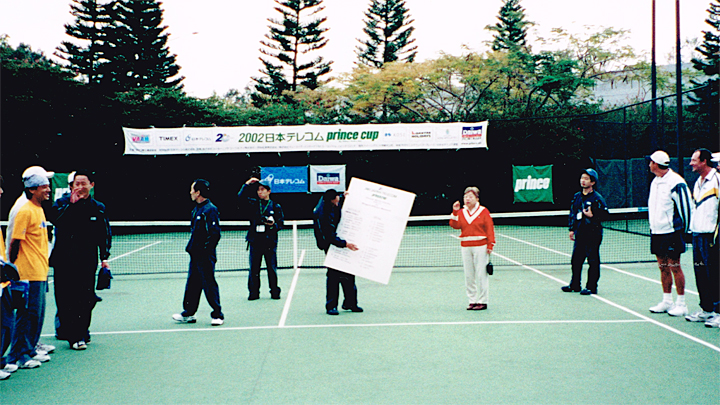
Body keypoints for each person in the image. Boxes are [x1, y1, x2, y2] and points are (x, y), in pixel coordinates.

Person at [47, 170, 111, 350]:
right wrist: (72, 206)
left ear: (92, 185)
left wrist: (104, 257)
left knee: (87, 298)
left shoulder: (98, 207)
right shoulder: (61, 204)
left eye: (84, 183)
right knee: (66, 299)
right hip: (64, 261)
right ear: (71, 187)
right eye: (77, 184)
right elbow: (57, 221)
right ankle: (74, 336)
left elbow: (104, 233)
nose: (81, 187)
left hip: (87, 261)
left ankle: (82, 330)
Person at [6, 171, 53, 369]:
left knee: (36, 315)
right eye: (44, 187)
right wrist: (16, 270)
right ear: (32, 189)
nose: (48, 190)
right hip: (27, 274)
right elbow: (15, 242)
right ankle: (19, 356)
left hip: (40, 272)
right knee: (26, 316)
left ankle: (30, 349)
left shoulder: (38, 209)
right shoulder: (25, 210)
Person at [646, 150, 693, 317]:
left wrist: (687, 231)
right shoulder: (655, 181)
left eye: (651, 162)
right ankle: (667, 301)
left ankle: (681, 303)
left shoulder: (676, 182)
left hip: (672, 232)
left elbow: (686, 207)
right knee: (663, 266)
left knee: (674, 266)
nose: (649, 164)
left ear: (656, 164)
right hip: (657, 231)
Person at [173, 179, 224, 326]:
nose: (190, 192)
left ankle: (217, 315)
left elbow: (215, 234)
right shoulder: (196, 210)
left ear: (198, 192)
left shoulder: (210, 209)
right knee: (192, 284)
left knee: (209, 284)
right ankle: (188, 313)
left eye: (192, 190)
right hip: (195, 255)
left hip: (205, 256)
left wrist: (205, 252)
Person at [685, 148, 720, 327]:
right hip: (697, 236)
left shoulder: (717, 180)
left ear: (704, 161)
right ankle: (707, 310)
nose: (691, 163)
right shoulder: (698, 182)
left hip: (712, 237)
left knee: (715, 274)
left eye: (694, 160)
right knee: (701, 274)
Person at [313, 189, 361, 315]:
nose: (338, 200)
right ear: (332, 200)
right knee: (334, 275)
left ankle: (350, 303)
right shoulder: (323, 213)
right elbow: (329, 236)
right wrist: (345, 244)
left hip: (338, 240)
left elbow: (338, 198)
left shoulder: (331, 201)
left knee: (349, 272)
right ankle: (331, 306)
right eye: (337, 198)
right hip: (329, 245)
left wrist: (343, 196)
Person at [562, 169, 609, 295]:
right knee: (576, 260)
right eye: (582, 177)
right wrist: (571, 229)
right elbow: (573, 213)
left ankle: (591, 287)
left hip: (593, 233)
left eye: (586, 178)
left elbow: (605, 215)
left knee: (593, 260)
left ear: (592, 182)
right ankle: (575, 285)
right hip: (580, 233)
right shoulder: (577, 196)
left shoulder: (597, 198)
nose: (583, 180)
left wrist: (593, 215)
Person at [237, 177, 284, 300]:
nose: (260, 192)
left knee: (271, 268)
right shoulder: (253, 204)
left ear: (268, 191)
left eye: (262, 189)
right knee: (254, 269)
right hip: (255, 241)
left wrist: (273, 225)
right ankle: (253, 292)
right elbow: (240, 198)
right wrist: (246, 184)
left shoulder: (276, 206)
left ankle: (274, 291)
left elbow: (281, 223)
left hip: (269, 241)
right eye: (258, 190)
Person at [450, 186, 495, 310]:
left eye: (470, 197)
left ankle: (483, 301)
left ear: (476, 198)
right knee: (469, 275)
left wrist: (490, 244)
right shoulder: (461, 212)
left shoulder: (483, 211)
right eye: (465, 197)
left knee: (481, 274)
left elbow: (489, 228)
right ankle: (472, 300)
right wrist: (454, 212)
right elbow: (455, 225)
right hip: (465, 246)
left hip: (481, 246)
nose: (467, 199)